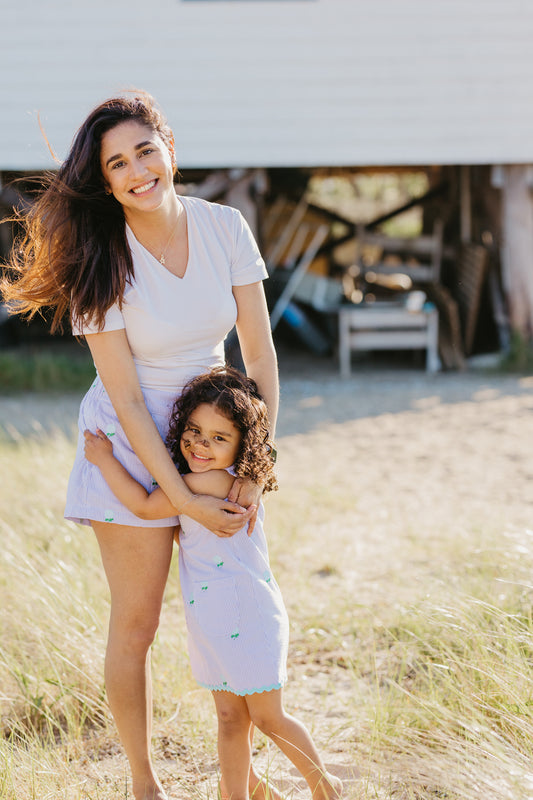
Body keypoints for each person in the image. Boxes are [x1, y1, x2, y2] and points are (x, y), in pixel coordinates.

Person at [0, 92, 278, 800]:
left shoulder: (224, 227)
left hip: (217, 438)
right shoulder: (100, 258)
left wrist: (252, 464)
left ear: (170, 147)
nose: (136, 171)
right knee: (138, 624)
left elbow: (258, 352)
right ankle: (143, 782)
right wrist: (177, 493)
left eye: (144, 151)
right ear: (105, 179)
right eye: (116, 163)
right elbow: (126, 400)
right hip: (132, 448)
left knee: (234, 611)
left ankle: (242, 777)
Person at [84, 366, 342, 800]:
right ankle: (236, 794)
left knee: (267, 716)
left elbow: (147, 507)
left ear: (243, 447)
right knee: (229, 718)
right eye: (194, 431)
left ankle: (324, 786)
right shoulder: (210, 476)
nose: (201, 445)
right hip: (212, 617)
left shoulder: (211, 481)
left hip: (246, 613)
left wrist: (104, 461)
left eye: (219, 438)